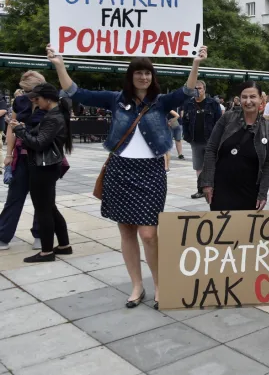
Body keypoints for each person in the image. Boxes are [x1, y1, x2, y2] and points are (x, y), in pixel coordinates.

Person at [52, 43, 204, 310]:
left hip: (151, 172)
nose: (143, 77)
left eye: (147, 73)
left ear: (152, 77)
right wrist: (59, 65)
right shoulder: (115, 99)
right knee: (126, 231)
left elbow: (188, 91)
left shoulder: (161, 101)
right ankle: (137, 285)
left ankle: (159, 284)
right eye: (138, 73)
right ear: (130, 76)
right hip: (120, 170)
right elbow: (77, 92)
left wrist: (195, 63)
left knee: (148, 234)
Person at [10, 84, 72, 263]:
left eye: (37, 99)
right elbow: (40, 137)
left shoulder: (53, 117)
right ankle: (64, 246)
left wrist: (19, 131)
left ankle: (46, 251)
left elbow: (38, 143)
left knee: (43, 209)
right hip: (47, 167)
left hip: (43, 167)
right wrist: (22, 127)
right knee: (49, 207)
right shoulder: (54, 115)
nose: (35, 102)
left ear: (48, 98)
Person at [201, 82, 269, 211]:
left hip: (251, 190)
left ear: (260, 100)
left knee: (245, 230)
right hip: (221, 187)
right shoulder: (227, 118)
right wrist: (207, 182)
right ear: (239, 99)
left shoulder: (268, 127)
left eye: (252, 97)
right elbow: (211, 149)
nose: (248, 101)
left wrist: (263, 194)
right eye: (244, 97)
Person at [0, 71, 46, 251]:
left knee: (41, 198)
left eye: (31, 90)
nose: (29, 94)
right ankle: (3, 235)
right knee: (15, 196)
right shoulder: (20, 101)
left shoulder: (51, 101)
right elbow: (11, 128)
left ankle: (41, 234)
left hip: (42, 156)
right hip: (22, 155)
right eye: (26, 91)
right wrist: (9, 154)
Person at [182, 80, 222, 199]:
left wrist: (218, 138)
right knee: (198, 166)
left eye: (199, 88)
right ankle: (200, 189)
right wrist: (187, 136)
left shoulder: (213, 103)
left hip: (211, 140)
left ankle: (214, 188)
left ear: (204, 89)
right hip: (195, 140)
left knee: (212, 165)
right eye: (194, 89)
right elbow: (184, 121)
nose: (197, 91)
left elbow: (219, 122)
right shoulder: (188, 103)